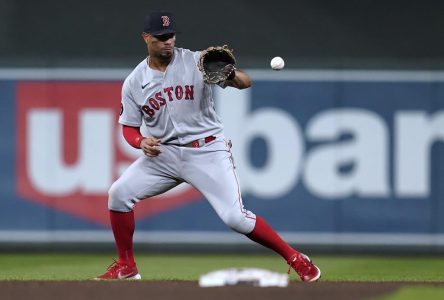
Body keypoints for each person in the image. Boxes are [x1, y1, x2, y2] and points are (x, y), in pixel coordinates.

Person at [96, 11, 321, 282]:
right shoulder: (134, 81)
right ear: (146, 38)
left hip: (206, 151)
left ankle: (295, 257)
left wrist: (230, 77)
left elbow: (245, 82)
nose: (168, 41)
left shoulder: (196, 61)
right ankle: (126, 266)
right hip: (165, 154)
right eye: (161, 37)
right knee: (118, 195)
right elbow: (128, 127)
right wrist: (140, 141)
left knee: (235, 219)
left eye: (171, 35)